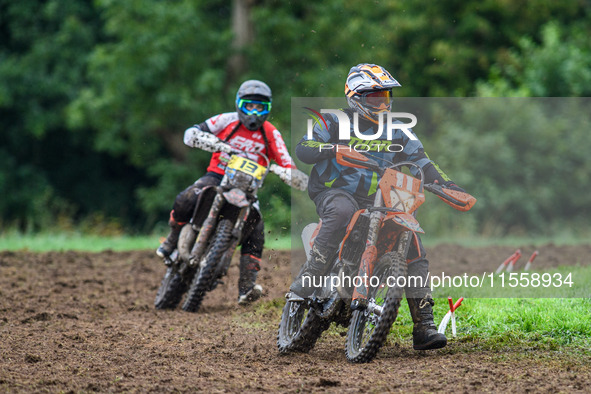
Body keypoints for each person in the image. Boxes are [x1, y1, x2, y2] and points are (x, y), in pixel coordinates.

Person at [290, 63, 470, 350]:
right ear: (356, 97)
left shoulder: (399, 129)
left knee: (413, 243)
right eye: (375, 97)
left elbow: (423, 162)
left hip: (385, 197)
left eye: (385, 96)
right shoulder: (332, 121)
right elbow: (303, 148)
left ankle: (424, 325)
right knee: (342, 213)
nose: (382, 103)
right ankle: (310, 277)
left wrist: (448, 185)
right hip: (336, 193)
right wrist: (335, 148)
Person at [157, 79, 296, 306]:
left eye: (260, 107)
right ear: (239, 104)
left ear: (268, 109)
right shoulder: (226, 120)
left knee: (257, 231)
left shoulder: (271, 133)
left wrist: (288, 173)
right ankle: (172, 239)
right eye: (249, 106)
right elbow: (191, 133)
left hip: (249, 189)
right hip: (218, 176)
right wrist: (214, 143)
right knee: (187, 197)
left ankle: (246, 288)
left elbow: (288, 163)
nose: (254, 112)